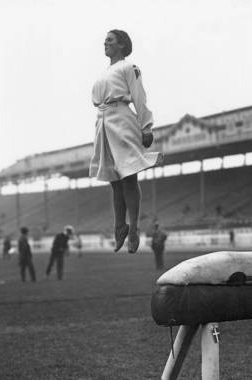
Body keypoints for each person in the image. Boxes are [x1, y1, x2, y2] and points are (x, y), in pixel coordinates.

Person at [89, 29, 162, 254]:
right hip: (103, 122)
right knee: (113, 178)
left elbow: (139, 95)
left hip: (122, 120)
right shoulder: (104, 73)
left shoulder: (129, 67)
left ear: (121, 44)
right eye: (105, 40)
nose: (105, 43)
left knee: (128, 176)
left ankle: (134, 228)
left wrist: (146, 126)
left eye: (110, 40)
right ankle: (120, 225)